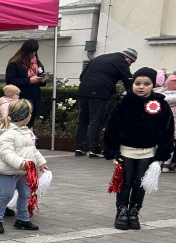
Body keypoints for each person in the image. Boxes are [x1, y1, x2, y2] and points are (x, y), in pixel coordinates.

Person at [103, 66, 175, 230]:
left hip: (148, 153)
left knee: (140, 183)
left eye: (146, 83)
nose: (141, 87)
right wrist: (111, 152)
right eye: (137, 83)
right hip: (125, 151)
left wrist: (162, 154)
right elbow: (111, 129)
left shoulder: (161, 105)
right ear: (132, 84)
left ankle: (134, 211)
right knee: (124, 183)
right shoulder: (123, 103)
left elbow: (167, 131)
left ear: (153, 86)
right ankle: (121, 212)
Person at [0, 99, 47, 234]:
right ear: (24, 116)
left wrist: (41, 162)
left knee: (25, 194)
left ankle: (23, 219)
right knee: (6, 194)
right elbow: (7, 154)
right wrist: (20, 163)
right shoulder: (6, 135)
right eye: (30, 114)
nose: (31, 116)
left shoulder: (26, 131)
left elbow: (32, 150)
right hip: (10, 171)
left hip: (24, 171)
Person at [75, 48, 136, 157]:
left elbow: (82, 75)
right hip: (99, 93)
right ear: (127, 58)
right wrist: (133, 96)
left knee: (83, 120)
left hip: (83, 91)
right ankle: (94, 149)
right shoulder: (122, 62)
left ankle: (79, 148)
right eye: (131, 62)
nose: (130, 65)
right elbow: (128, 81)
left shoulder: (100, 57)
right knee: (95, 120)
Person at [4, 40, 47, 135]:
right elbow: (9, 81)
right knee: (19, 122)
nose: (33, 54)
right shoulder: (15, 64)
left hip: (35, 97)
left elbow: (42, 82)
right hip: (21, 97)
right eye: (31, 52)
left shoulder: (38, 64)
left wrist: (42, 81)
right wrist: (29, 80)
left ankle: (29, 139)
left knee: (30, 121)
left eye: (35, 52)